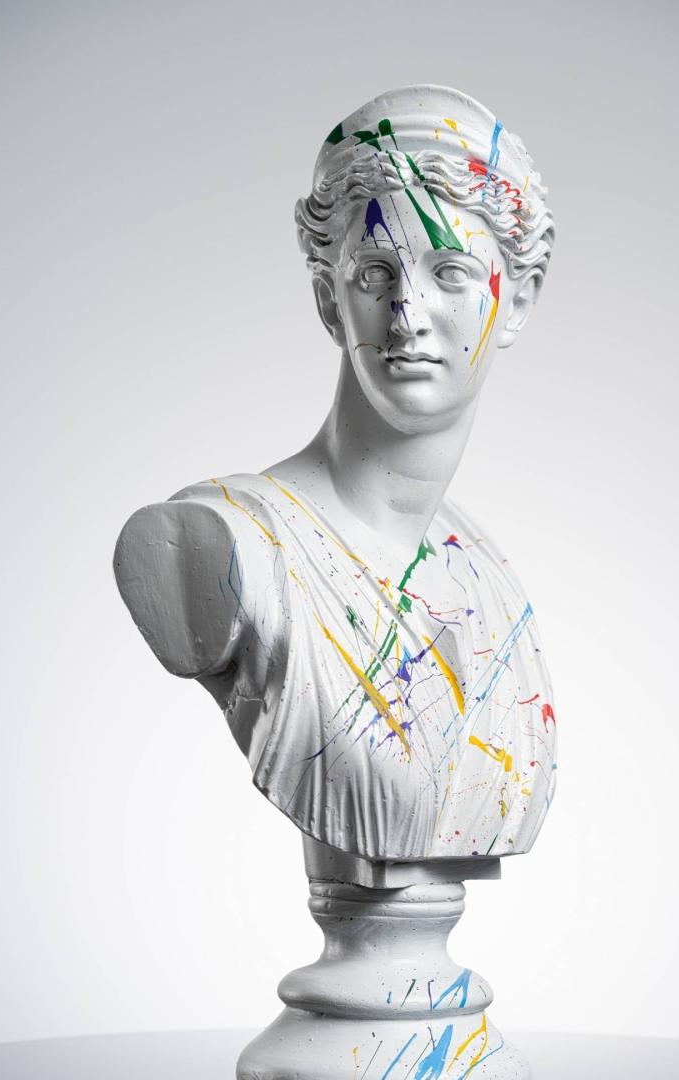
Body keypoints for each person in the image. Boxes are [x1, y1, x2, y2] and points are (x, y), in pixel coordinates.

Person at [115, 85, 557, 861]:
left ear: (516, 298)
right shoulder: (219, 545)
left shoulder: (487, 580)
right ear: (329, 300)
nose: (408, 314)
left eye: (451, 272)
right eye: (375, 274)